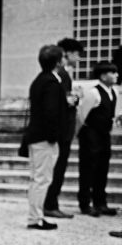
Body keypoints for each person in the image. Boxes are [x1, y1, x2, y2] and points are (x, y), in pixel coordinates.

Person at [22, 45, 65, 230]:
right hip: (44, 138)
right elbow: (50, 112)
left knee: (38, 179)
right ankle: (35, 217)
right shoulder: (50, 82)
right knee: (42, 179)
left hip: (37, 136)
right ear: (58, 62)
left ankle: (36, 215)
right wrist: (54, 136)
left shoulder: (40, 80)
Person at [44, 38, 85, 219]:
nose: (78, 59)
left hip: (63, 128)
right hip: (62, 130)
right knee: (58, 168)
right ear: (66, 54)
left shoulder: (64, 73)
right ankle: (51, 204)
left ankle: (52, 202)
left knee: (59, 168)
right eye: (76, 54)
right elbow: (60, 101)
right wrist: (74, 99)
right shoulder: (61, 74)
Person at [76, 61, 119, 217]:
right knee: (88, 169)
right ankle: (85, 204)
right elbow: (81, 116)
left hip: (104, 135)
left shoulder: (113, 92)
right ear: (102, 76)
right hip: (90, 135)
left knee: (102, 169)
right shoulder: (93, 93)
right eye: (112, 73)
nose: (116, 75)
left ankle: (100, 203)